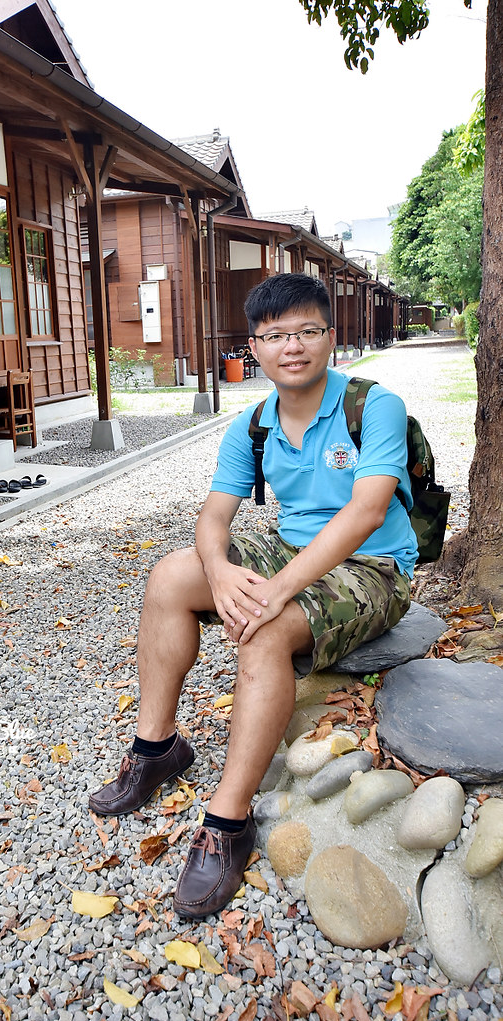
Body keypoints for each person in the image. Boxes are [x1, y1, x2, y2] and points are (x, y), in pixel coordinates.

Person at [89, 272, 418, 920]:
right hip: (292, 551)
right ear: (256, 346)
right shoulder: (254, 425)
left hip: (373, 566)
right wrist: (217, 572)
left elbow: (367, 513)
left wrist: (277, 591)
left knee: (267, 628)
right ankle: (156, 751)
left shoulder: (372, 406)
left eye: (305, 332)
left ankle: (228, 821)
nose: (290, 346)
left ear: (330, 337)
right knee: (169, 577)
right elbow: (214, 518)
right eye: (274, 335)